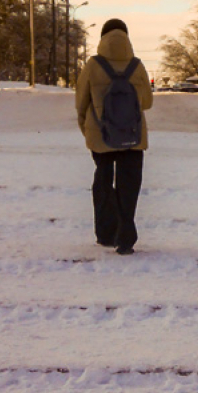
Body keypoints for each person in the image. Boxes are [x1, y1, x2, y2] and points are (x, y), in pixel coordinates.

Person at [75, 18, 153, 255]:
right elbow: (147, 103)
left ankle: (106, 233)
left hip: (101, 136)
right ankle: (126, 238)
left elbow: (81, 102)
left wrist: (88, 129)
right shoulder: (136, 65)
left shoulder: (92, 65)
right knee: (129, 185)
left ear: (102, 38)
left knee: (103, 182)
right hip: (133, 136)